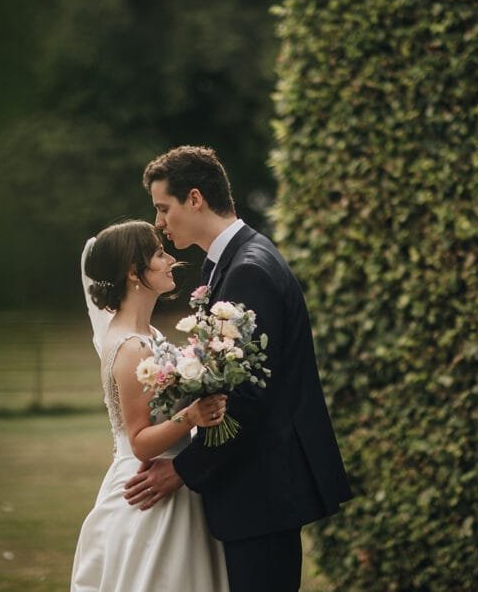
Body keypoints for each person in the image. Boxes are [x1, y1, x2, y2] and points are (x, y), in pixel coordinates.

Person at [125, 146, 353, 592]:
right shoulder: (235, 261)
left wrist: (183, 470)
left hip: (262, 487)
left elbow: (248, 396)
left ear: (195, 198)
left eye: (162, 208)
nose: (159, 223)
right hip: (255, 486)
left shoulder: (248, 269)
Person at [71, 220, 230, 591]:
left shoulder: (149, 335)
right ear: (133, 272)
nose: (170, 259)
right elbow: (140, 440)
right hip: (148, 487)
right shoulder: (130, 348)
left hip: (176, 482)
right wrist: (190, 416)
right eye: (159, 253)